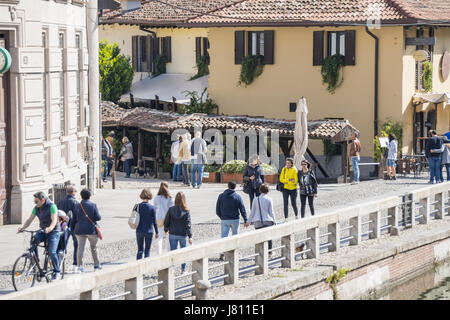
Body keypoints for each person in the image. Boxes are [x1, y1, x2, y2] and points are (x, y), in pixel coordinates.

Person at [18, 192, 61, 280]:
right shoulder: (36, 208)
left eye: (36, 201)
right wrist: (22, 227)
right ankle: (36, 262)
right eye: (34, 201)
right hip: (43, 230)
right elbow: (30, 219)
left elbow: (54, 220)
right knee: (33, 241)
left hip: (54, 231)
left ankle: (57, 272)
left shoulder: (52, 206)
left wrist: (50, 228)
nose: (35, 203)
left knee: (52, 252)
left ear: (43, 200)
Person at [72, 188, 102, 272]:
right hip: (91, 230)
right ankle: (96, 265)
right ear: (89, 196)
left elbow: (74, 219)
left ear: (81, 196)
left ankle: (79, 266)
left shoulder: (77, 205)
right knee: (93, 247)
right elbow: (98, 217)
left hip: (79, 230)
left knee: (80, 248)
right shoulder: (93, 205)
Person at [164, 192, 192, 274]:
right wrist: (190, 236)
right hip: (183, 235)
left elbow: (166, 222)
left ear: (176, 199)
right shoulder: (186, 211)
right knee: (183, 253)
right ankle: (183, 270)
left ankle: (172, 270)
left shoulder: (171, 209)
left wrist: (166, 230)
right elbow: (188, 224)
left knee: (173, 253)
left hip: (172, 234)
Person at [57, 185, 80, 272]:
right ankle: (75, 263)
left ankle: (59, 263)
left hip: (63, 227)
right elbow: (77, 216)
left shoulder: (60, 202)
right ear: (73, 193)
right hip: (73, 227)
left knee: (62, 246)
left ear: (67, 192)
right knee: (76, 245)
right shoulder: (76, 203)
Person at [248, 184, 276, 255]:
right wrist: (275, 221)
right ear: (268, 191)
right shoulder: (269, 199)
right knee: (269, 237)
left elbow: (252, 212)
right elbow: (271, 212)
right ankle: (269, 252)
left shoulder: (255, 199)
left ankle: (259, 253)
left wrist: (248, 222)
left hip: (258, 222)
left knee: (259, 238)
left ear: (260, 190)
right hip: (268, 221)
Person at [135, 188, 158, 260]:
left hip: (139, 230)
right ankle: (146, 268)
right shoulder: (152, 208)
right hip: (149, 231)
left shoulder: (137, 206)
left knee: (140, 250)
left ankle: (137, 266)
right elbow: (155, 222)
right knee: (147, 251)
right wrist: (157, 232)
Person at [153, 181, 174, 254]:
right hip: (167, 219)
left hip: (158, 219)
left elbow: (154, 209)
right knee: (168, 238)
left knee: (159, 238)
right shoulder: (170, 198)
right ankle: (168, 253)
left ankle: (159, 254)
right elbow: (171, 210)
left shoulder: (156, 198)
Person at [279, 158, 299, 222]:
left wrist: (286, 181)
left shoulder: (294, 170)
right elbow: (281, 179)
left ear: (291, 163)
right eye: (286, 163)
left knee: (293, 203)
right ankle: (286, 218)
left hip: (293, 189)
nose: (287, 164)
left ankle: (296, 215)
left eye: (288, 163)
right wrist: (289, 180)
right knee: (285, 203)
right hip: (285, 189)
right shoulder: (284, 169)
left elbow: (295, 181)